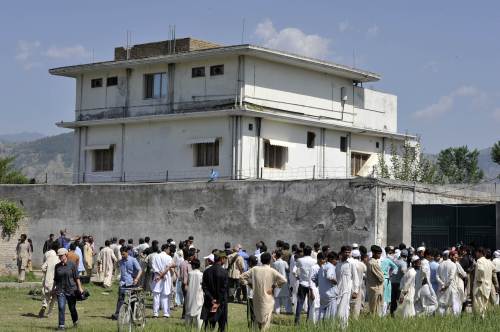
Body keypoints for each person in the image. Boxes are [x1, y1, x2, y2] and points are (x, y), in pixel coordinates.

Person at [240, 252, 286, 331]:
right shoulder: (272, 271)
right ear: (270, 261)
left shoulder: (254, 269)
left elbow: (241, 277)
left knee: (256, 320)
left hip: (256, 298)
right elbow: (283, 280)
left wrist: (249, 283)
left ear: (261, 260)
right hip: (268, 299)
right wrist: (274, 286)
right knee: (265, 322)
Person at [53, 248, 84, 330]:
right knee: (61, 307)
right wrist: (53, 288)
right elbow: (55, 279)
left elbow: (77, 277)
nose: (60, 257)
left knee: (72, 308)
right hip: (60, 290)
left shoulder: (72, 264)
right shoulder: (57, 266)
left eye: (61, 256)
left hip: (71, 290)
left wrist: (80, 288)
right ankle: (61, 326)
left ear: (66, 255)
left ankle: (75, 321)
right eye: (59, 256)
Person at [112, 246, 143, 320]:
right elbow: (117, 269)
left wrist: (136, 279)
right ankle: (117, 314)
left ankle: (133, 315)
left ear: (127, 253)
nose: (122, 256)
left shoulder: (133, 260)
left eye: (123, 254)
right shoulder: (120, 261)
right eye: (121, 254)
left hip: (132, 283)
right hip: (122, 283)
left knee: (132, 300)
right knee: (120, 299)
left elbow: (140, 270)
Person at [201, 251, 229, 332]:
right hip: (221, 302)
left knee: (208, 326)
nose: (226, 260)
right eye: (225, 258)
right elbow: (224, 289)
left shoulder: (206, 271)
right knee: (221, 326)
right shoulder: (224, 272)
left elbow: (204, 287)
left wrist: (211, 299)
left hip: (209, 302)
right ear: (222, 259)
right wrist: (218, 301)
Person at [335, 245, 359, 327]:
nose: (347, 254)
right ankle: (339, 325)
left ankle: (343, 326)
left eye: (349, 252)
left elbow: (355, 277)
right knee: (338, 307)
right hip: (338, 289)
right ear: (341, 252)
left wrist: (355, 291)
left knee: (344, 308)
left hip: (347, 289)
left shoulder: (351, 263)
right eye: (346, 252)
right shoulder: (338, 264)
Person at [150, 244, 174, 318]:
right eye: (169, 249)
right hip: (165, 277)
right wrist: (162, 275)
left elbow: (154, 267)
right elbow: (170, 266)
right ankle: (166, 313)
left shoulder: (155, 256)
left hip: (157, 277)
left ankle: (155, 313)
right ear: (165, 249)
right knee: (165, 296)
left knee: (156, 296)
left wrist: (160, 274)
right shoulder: (168, 257)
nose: (169, 251)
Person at [437, 250, 463, 316]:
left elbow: (437, 277)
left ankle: (441, 319)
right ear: (450, 256)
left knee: (442, 305)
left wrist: (443, 284)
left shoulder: (440, 265)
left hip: (442, 288)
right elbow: (451, 277)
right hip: (451, 287)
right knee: (455, 304)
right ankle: (455, 320)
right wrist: (446, 285)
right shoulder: (453, 265)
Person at [294, 245, 315, 325]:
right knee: (310, 304)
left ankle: (297, 321)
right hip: (311, 285)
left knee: (300, 303)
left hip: (302, 283)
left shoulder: (300, 260)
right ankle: (308, 321)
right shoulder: (314, 261)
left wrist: (297, 276)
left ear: (304, 252)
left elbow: (295, 270)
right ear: (310, 252)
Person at [472, 247, 496, 317]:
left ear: (480, 253)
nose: (476, 254)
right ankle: (483, 319)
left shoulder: (479, 261)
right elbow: (494, 268)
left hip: (480, 286)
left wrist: (479, 279)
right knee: (484, 304)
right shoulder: (489, 262)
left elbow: (481, 269)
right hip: (487, 286)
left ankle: (479, 320)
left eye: (477, 252)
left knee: (479, 304)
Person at [39, 241, 59, 317]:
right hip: (56, 281)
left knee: (46, 295)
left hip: (47, 279)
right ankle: (49, 312)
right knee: (54, 297)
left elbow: (43, 267)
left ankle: (44, 305)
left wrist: (46, 273)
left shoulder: (47, 254)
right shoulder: (58, 258)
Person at [317, 251, 338, 321]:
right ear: (332, 259)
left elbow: (315, 279)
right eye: (336, 259)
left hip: (322, 294)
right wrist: (336, 282)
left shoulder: (322, 267)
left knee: (322, 312)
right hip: (330, 295)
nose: (337, 261)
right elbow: (329, 276)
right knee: (331, 315)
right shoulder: (330, 266)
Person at [185, 258, 204, 331]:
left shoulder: (190, 273)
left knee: (188, 312)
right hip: (198, 294)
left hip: (190, 294)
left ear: (193, 265)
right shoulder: (201, 274)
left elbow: (188, 283)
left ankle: (188, 328)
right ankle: (198, 329)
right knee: (198, 313)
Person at [271, 250, 292, 314]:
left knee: (277, 298)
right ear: (281, 256)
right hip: (284, 280)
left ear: (276, 256)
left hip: (277, 281)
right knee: (285, 297)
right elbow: (288, 270)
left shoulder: (274, 263)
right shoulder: (284, 262)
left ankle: (277, 311)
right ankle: (288, 311)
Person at [366, 245, 384, 316]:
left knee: (374, 309)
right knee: (375, 310)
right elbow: (381, 277)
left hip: (373, 288)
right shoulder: (373, 263)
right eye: (378, 253)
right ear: (373, 253)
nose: (379, 255)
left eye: (380, 253)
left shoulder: (372, 261)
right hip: (376, 289)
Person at [380, 247, 398, 316]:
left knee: (383, 299)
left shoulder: (375, 260)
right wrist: (391, 274)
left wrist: (390, 274)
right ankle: (383, 314)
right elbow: (395, 268)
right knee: (385, 299)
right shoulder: (387, 260)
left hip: (383, 280)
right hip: (386, 280)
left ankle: (382, 315)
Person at [390, 249, 408, 316]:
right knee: (399, 300)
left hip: (393, 282)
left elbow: (391, 270)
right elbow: (403, 271)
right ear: (406, 256)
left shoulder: (395, 261)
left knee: (393, 300)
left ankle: (392, 314)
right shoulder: (403, 263)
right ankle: (398, 314)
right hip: (399, 284)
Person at [350, 249, 366, 319]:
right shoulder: (361, 264)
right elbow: (365, 272)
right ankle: (355, 319)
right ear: (359, 256)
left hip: (349, 285)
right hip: (359, 286)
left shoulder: (350, 263)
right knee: (357, 305)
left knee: (348, 304)